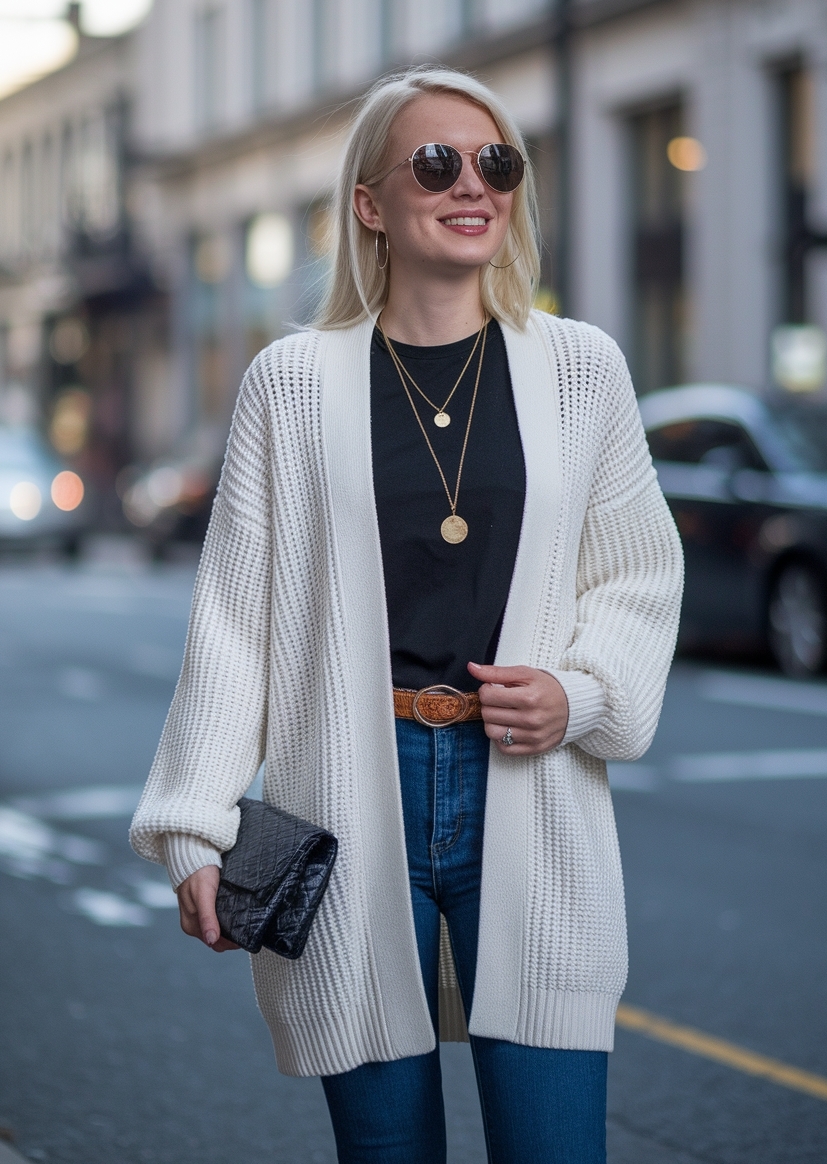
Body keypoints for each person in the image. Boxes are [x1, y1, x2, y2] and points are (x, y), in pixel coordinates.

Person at [130, 66, 683, 1163]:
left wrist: (579, 693)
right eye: (437, 163)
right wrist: (193, 819)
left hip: (529, 787)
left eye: (497, 163)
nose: (472, 184)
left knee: (555, 1143)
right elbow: (238, 619)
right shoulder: (290, 384)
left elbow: (635, 573)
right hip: (345, 779)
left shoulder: (581, 371)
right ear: (370, 203)